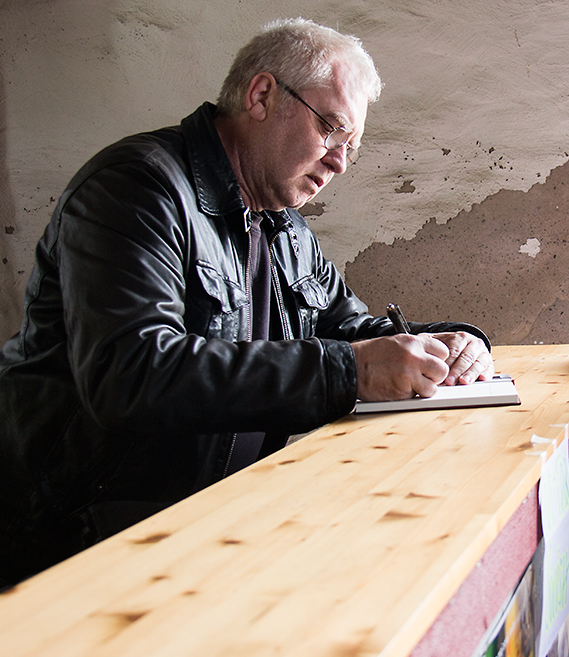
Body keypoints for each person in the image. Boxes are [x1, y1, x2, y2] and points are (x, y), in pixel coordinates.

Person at [0, 18, 493, 587]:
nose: (338, 162)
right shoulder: (135, 188)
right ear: (261, 96)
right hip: (74, 539)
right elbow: (131, 373)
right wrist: (352, 371)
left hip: (201, 529)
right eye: (332, 130)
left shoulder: (284, 226)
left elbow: (352, 329)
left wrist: (452, 345)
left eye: (350, 149)